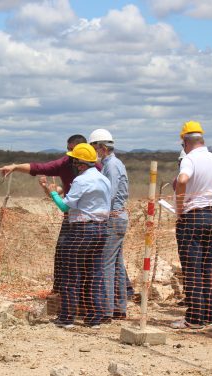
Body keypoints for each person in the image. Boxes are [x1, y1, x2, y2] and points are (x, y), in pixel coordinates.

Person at [170, 121, 212, 330]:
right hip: (211, 216)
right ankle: (209, 314)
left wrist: (181, 207)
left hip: (192, 217)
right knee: (209, 267)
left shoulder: (189, 159)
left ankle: (194, 318)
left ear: (185, 142)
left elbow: (182, 180)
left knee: (192, 268)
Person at [0, 135, 87, 294]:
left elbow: (62, 203)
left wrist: (53, 194)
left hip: (90, 220)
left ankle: (85, 296)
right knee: (62, 254)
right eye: (68, 149)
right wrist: (15, 167)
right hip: (71, 218)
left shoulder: (95, 170)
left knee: (89, 259)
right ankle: (60, 292)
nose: (69, 154)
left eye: (72, 150)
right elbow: (38, 167)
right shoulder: (65, 163)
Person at [40, 143, 112, 328]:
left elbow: (65, 206)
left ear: (80, 163)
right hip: (101, 230)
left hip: (81, 230)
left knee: (71, 273)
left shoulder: (81, 181)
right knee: (94, 274)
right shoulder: (104, 179)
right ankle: (95, 317)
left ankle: (67, 317)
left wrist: (54, 194)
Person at [88, 129, 131, 320]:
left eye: (94, 148)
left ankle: (105, 311)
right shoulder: (112, 163)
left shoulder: (111, 166)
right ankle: (118, 308)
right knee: (117, 265)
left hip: (113, 218)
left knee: (105, 264)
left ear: (102, 148)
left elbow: (109, 193)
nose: (93, 152)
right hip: (117, 217)